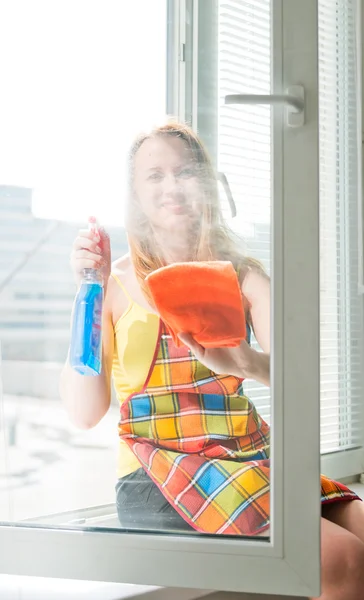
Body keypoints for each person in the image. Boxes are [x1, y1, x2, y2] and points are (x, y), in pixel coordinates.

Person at [60, 120, 364, 599]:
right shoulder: (112, 285)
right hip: (155, 473)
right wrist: (89, 291)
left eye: (185, 172)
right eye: (154, 176)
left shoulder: (243, 277)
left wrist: (248, 365)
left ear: (207, 184)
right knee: (340, 558)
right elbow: (83, 413)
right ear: (135, 195)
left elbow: (303, 379)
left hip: (252, 458)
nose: (172, 187)